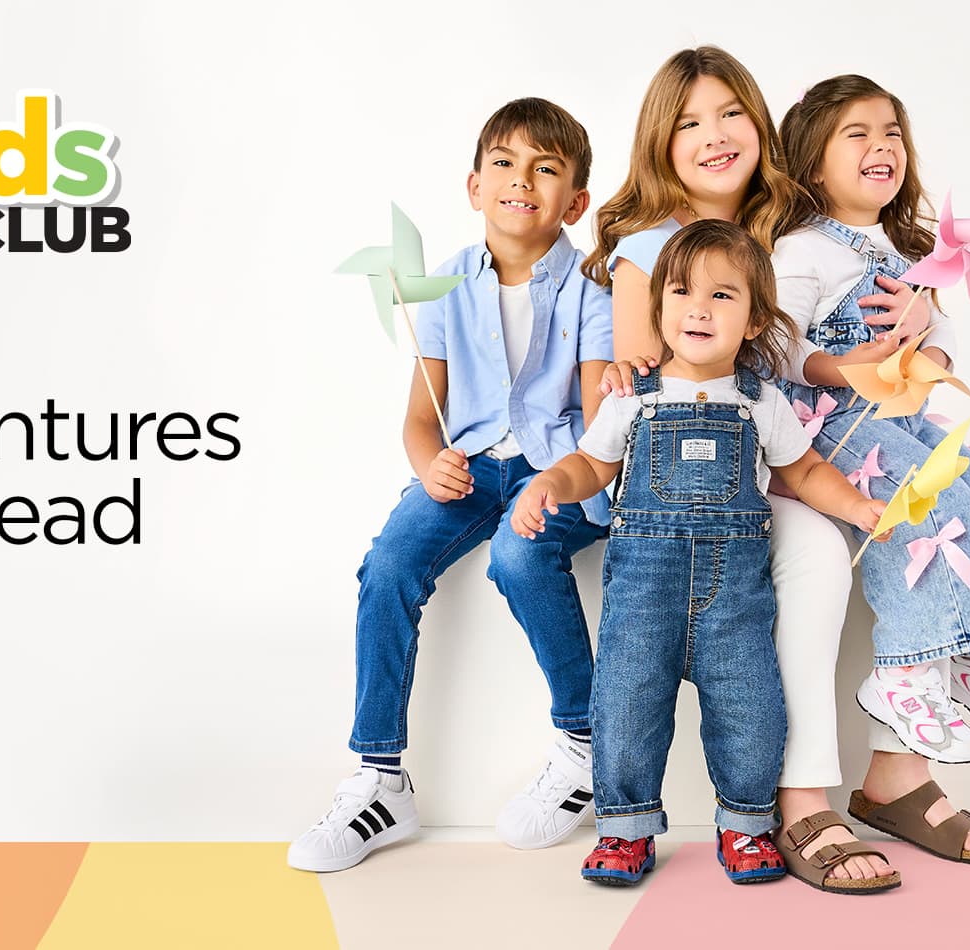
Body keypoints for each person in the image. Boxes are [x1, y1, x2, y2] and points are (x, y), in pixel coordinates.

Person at [584, 46, 899, 893]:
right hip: (659, 525)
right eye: (689, 122)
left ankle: (778, 807)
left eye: (730, 114)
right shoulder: (649, 251)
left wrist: (915, 318)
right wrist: (562, 481)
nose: (716, 135)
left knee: (752, 689)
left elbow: (801, 426)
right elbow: (619, 407)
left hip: (759, 491)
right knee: (630, 697)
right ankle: (628, 815)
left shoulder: (797, 231)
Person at [514, 219, 892, 886]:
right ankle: (625, 829)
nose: (698, 307)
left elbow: (802, 473)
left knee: (753, 712)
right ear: (658, 309)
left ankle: (746, 825)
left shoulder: (762, 401)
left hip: (735, 605)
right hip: (642, 600)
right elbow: (592, 465)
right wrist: (551, 483)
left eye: (723, 295)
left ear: (752, 321)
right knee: (625, 707)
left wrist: (858, 507)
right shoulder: (633, 396)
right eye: (683, 291)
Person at [288, 98, 612, 872]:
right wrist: (426, 463)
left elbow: (602, 427)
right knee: (389, 567)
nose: (520, 180)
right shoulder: (438, 286)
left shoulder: (593, 295)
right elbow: (418, 421)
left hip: (560, 469)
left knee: (518, 557)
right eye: (503, 162)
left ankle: (587, 740)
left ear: (575, 200)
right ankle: (379, 779)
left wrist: (558, 485)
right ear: (474, 185)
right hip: (468, 469)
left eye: (545, 167)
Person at [771, 74, 970, 863]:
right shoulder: (802, 250)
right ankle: (903, 677)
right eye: (855, 134)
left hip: (900, 417)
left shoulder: (909, 252)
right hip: (832, 428)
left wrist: (928, 340)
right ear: (812, 163)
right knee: (926, 521)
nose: (881, 146)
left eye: (891, 131)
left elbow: (944, 338)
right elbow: (777, 344)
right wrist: (840, 367)